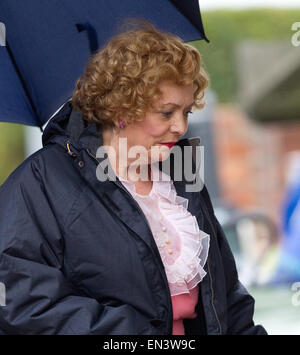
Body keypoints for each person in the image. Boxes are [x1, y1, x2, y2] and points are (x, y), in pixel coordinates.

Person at [0, 20, 267, 335]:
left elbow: (227, 300)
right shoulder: (41, 182)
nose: (180, 127)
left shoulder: (181, 179)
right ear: (121, 108)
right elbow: (21, 303)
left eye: (186, 113)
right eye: (166, 113)